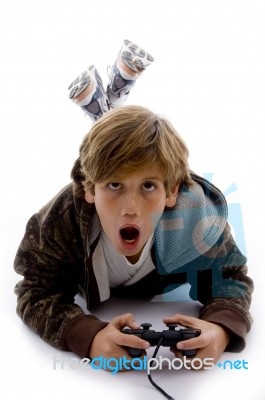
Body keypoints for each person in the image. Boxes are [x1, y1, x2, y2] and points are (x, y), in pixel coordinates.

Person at [14, 40, 253, 370]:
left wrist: (221, 329)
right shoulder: (61, 220)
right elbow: (35, 288)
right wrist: (89, 336)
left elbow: (231, 278)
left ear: (171, 193)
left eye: (148, 187)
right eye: (114, 185)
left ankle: (107, 104)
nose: (131, 208)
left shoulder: (195, 217)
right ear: (89, 189)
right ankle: (108, 107)